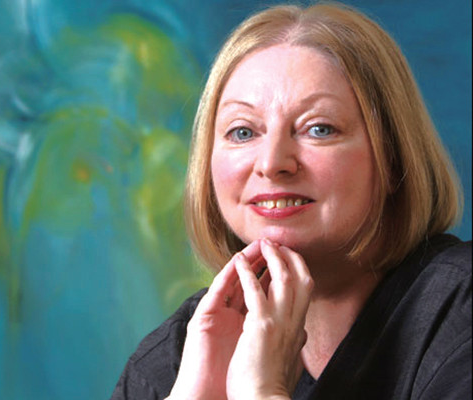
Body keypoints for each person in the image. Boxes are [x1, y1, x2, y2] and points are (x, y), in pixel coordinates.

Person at [111, 3, 471, 399]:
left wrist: (261, 392)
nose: (271, 163)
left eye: (319, 129)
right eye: (243, 132)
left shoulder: (460, 314)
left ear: (393, 156)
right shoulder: (181, 354)